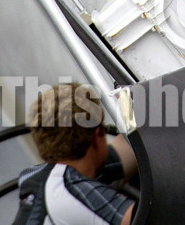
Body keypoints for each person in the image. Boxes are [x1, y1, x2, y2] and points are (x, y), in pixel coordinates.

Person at [13, 83, 137, 225]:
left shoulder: (38, 177)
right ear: (97, 137)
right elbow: (147, 218)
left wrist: (133, 109)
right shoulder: (68, 190)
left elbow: (128, 150)